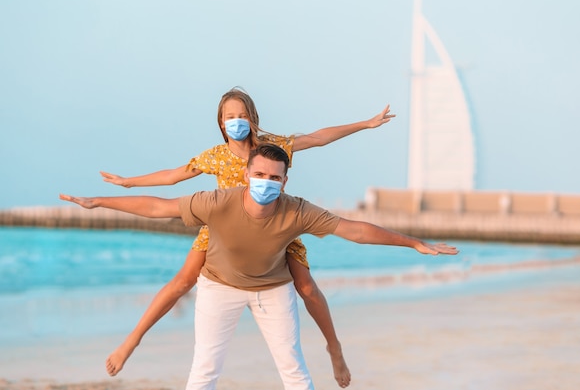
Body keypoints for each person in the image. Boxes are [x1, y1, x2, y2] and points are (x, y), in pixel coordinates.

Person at [60, 143, 459, 390]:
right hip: (219, 287)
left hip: (272, 290)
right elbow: (158, 208)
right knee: (204, 371)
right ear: (247, 174)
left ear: (284, 181)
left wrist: (413, 243)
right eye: (260, 175)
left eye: (275, 177)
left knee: (294, 371)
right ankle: (133, 339)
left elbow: (353, 230)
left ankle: (333, 347)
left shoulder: (297, 210)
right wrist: (100, 201)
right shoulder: (218, 202)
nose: (266, 182)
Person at [98, 87, 395, 387]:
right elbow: (173, 176)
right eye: (230, 117)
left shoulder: (271, 147)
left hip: (274, 227)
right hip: (223, 230)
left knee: (306, 287)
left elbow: (318, 138)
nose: (236, 121)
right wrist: (129, 183)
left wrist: (364, 124)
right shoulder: (215, 156)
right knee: (182, 282)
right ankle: (132, 342)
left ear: (253, 119)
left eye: (242, 116)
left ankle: (334, 347)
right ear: (221, 122)